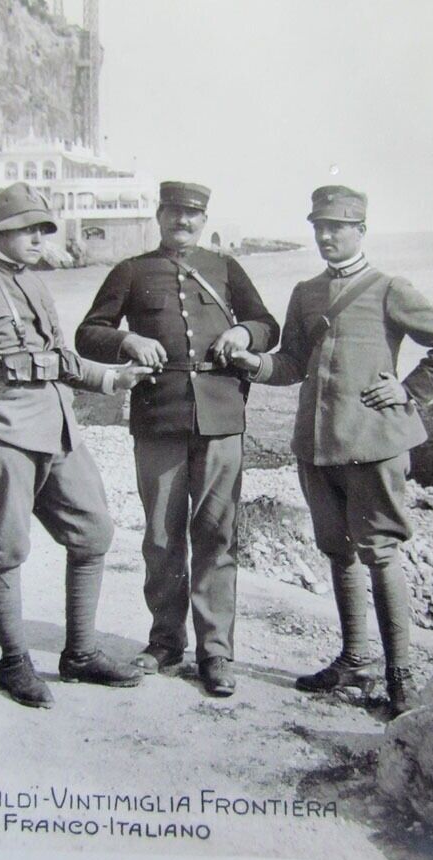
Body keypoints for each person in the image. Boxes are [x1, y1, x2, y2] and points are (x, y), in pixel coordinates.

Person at [231, 185, 433, 716]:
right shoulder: (305, 293)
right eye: (318, 225)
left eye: (336, 226)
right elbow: (292, 363)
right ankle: (356, 658)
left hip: (374, 447)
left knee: (380, 553)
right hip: (316, 449)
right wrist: (253, 363)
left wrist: (409, 391)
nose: (324, 236)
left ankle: (400, 672)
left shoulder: (389, 288)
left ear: (360, 230)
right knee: (337, 552)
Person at [0, 182, 154, 709]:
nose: (37, 238)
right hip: (5, 434)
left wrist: (113, 379)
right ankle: (14, 662)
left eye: (43, 229)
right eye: (27, 229)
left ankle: (79, 653)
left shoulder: (35, 285)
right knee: (6, 549)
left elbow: (58, 359)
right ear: (1, 231)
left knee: (94, 531)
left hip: (57, 429)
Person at [75, 181, 279, 696]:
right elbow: (87, 333)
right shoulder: (131, 271)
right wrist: (128, 339)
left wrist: (245, 336)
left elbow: (268, 325)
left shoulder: (226, 268)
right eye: (174, 212)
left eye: (193, 214)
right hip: (158, 417)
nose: (183, 222)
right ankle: (165, 643)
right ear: (159, 215)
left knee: (216, 535)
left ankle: (216, 653)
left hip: (221, 417)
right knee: (163, 538)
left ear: (204, 218)